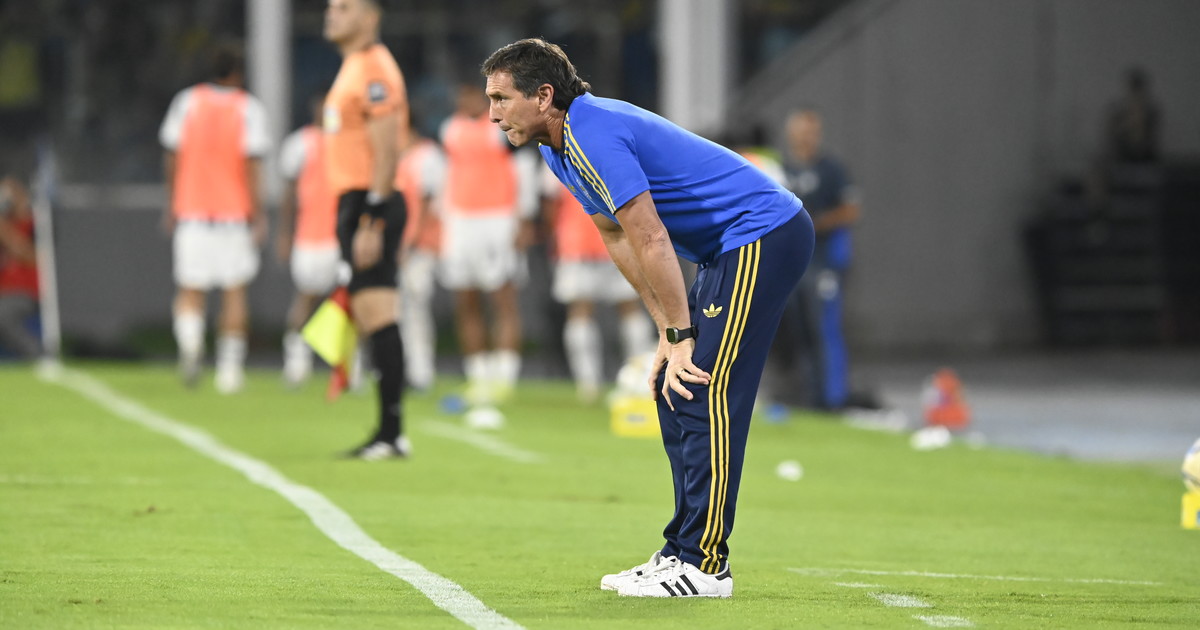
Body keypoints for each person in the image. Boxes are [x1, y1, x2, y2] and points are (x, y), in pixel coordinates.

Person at [481, 38, 814, 598]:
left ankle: (707, 565)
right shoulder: (555, 147)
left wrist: (682, 335)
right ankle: (681, 549)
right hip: (727, 249)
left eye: (501, 98)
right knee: (670, 386)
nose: (492, 113)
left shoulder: (591, 131)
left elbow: (651, 235)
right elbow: (616, 236)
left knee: (702, 387)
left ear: (543, 97)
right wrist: (666, 331)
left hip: (763, 233)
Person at [323, 0, 411, 459]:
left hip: (370, 200)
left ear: (370, 17)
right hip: (356, 200)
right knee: (369, 312)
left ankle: (391, 433)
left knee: (379, 315)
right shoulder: (355, 67)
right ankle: (388, 430)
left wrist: (372, 219)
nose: (331, 13)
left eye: (344, 7)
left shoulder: (374, 68)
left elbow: (387, 150)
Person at [159, 42, 270, 393]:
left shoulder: (186, 103)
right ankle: (229, 371)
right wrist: (258, 213)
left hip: (192, 211)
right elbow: (252, 165)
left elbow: (172, 156)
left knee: (190, 289)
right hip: (233, 215)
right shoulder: (249, 109)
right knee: (234, 292)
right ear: (239, 72)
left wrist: (172, 203)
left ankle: (191, 344)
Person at [438, 81, 538, 407]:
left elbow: (523, 170)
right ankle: (479, 376)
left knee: (502, 298)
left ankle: (504, 378)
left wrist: (524, 218)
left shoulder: (502, 129)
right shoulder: (450, 130)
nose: (465, 100)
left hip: (498, 220)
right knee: (465, 299)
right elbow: (447, 175)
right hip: (460, 221)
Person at [540, 166, 652, 403]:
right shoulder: (612, 151)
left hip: (578, 241)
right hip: (617, 236)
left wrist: (555, 237)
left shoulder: (554, 154)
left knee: (583, 310)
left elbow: (551, 203)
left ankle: (590, 384)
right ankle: (636, 380)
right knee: (628, 307)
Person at [779, 109, 860, 411]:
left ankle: (834, 398)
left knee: (825, 328)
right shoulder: (781, 170)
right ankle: (810, 396)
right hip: (792, 265)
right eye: (800, 131)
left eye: (810, 131)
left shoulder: (832, 170)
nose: (805, 137)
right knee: (798, 331)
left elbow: (850, 210)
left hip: (823, 262)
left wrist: (812, 224)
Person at [277, 91, 341, 387]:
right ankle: (296, 360)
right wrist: (285, 233)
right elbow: (289, 195)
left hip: (340, 236)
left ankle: (345, 364)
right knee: (305, 296)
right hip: (309, 236)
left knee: (345, 301)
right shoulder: (298, 144)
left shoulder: (349, 141)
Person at [394, 116, 445, 391]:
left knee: (416, 308)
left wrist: (410, 242)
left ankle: (421, 372)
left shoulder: (428, 156)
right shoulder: (402, 157)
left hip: (420, 246)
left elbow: (427, 204)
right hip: (402, 246)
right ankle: (403, 369)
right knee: (400, 310)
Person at [0, 175, 40, 359]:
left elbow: (31, 257)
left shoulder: (36, 223)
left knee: (2, 313)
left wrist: (4, 229)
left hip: (26, 292)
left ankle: (38, 355)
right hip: (4, 291)